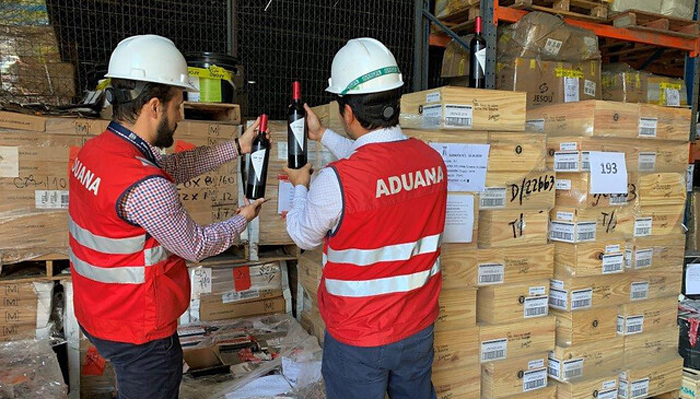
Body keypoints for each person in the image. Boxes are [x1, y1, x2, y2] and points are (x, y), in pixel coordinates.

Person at [68, 35, 266, 399]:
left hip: (97, 312)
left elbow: (170, 166)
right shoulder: (144, 185)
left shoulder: (96, 153)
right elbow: (196, 244)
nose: (180, 117)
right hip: (138, 330)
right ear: (155, 106)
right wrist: (243, 218)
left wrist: (236, 147)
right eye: (179, 106)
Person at [283, 38, 448, 399]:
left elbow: (302, 235)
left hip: (359, 341)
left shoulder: (335, 182)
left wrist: (300, 186)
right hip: (417, 330)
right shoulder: (432, 162)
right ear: (396, 100)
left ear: (348, 113)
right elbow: (377, 159)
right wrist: (322, 135)